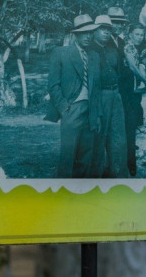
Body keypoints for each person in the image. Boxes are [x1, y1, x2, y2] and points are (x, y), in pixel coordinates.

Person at [44, 14, 100, 178]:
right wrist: (64, 108)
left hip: (90, 110)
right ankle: (64, 188)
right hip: (71, 108)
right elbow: (53, 85)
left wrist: (97, 114)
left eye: (90, 32)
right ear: (76, 34)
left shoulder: (94, 56)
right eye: (83, 33)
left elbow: (96, 88)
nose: (88, 36)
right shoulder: (61, 53)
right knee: (68, 155)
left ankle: (80, 189)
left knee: (86, 155)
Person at [88, 15, 128, 178]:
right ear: (94, 31)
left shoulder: (113, 50)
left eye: (108, 29)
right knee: (99, 136)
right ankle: (95, 176)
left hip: (115, 94)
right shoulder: (89, 50)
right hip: (100, 96)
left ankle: (117, 173)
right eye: (102, 29)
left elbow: (118, 73)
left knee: (118, 134)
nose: (106, 32)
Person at [121, 24, 146, 176]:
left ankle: (130, 161)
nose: (139, 37)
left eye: (141, 35)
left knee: (132, 125)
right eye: (137, 34)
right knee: (129, 126)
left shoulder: (137, 49)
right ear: (130, 34)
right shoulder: (128, 47)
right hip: (127, 90)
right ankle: (130, 163)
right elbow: (133, 68)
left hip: (134, 91)